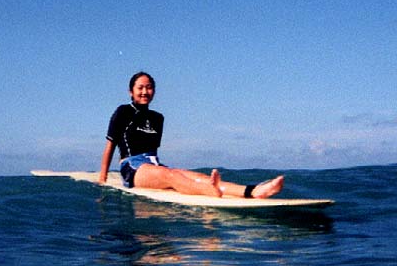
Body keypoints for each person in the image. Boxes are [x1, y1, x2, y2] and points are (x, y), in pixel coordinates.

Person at [99, 72, 284, 198]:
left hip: (154, 165)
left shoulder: (158, 118)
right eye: (140, 88)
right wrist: (102, 180)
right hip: (132, 166)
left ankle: (253, 191)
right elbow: (110, 147)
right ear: (131, 91)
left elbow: (153, 152)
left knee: (198, 176)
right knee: (171, 175)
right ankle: (209, 191)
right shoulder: (123, 112)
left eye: (149, 87)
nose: (145, 92)